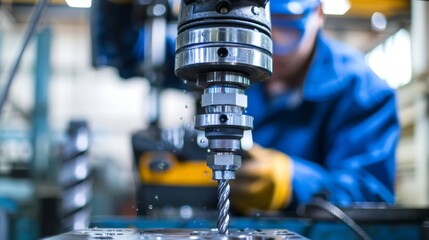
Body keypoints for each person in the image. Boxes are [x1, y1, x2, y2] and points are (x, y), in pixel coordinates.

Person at [230, 0, 400, 214]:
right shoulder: (234, 68)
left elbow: (370, 195)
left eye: (285, 26)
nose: (271, 43)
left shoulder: (364, 91)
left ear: (319, 14)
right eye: (258, 27)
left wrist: (290, 182)